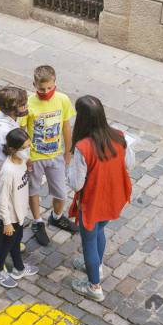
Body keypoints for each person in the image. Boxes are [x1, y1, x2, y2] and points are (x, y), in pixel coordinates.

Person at [66, 95, 134, 302]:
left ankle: (94, 286)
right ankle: (98, 265)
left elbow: (76, 183)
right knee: (100, 231)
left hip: (93, 202)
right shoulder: (119, 136)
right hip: (114, 196)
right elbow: (129, 163)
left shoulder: (83, 147)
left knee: (88, 242)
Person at [25, 64, 77, 246]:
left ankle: (56, 216)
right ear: (34, 85)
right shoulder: (29, 103)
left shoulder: (63, 99)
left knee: (61, 193)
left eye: (49, 87)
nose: (46, 92)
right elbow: (22, 130)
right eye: (41, 89)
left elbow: (66, 126)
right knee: (34, 190)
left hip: (56, 156)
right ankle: (38, 221)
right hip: (35, 156)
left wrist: (69, 151)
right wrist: (26, 156)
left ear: (55, 83)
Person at [0, 128, 37, 288]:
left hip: (20, 213)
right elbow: (2, 200)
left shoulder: (22, 160)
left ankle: (19, 268)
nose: (27, 150)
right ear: (12, 149)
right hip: (11, 217)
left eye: (29, 146)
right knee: (6, 245)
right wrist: (7, 222)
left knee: (16, 241)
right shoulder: (8, 172)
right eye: (24, 148)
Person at [0, 86, 29, 269]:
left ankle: (10, 244)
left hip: (13, 177)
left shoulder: (9, 121)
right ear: (12, 108)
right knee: (3, 216)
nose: (26, 107)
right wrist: (14, 164)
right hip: (5, 181)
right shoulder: (2, 131)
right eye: (22, 105)